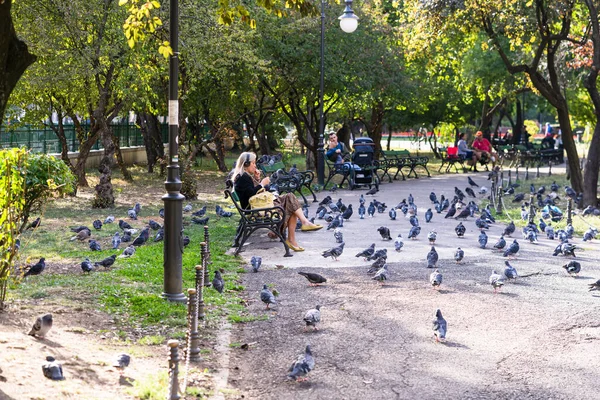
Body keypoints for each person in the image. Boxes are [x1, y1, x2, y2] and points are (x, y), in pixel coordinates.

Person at [232, 152, 322, 252]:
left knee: (290, 198)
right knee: (291, 203)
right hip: (255, 210)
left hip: (260, 205)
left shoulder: (245, 176)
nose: (255, 165)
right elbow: (252, 195)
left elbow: (255, 193)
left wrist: (257, 179)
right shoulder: (242, 178)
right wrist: (261, 183)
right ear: (245, 164)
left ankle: (301, 226)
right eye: (253, 163)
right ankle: (294, 235)